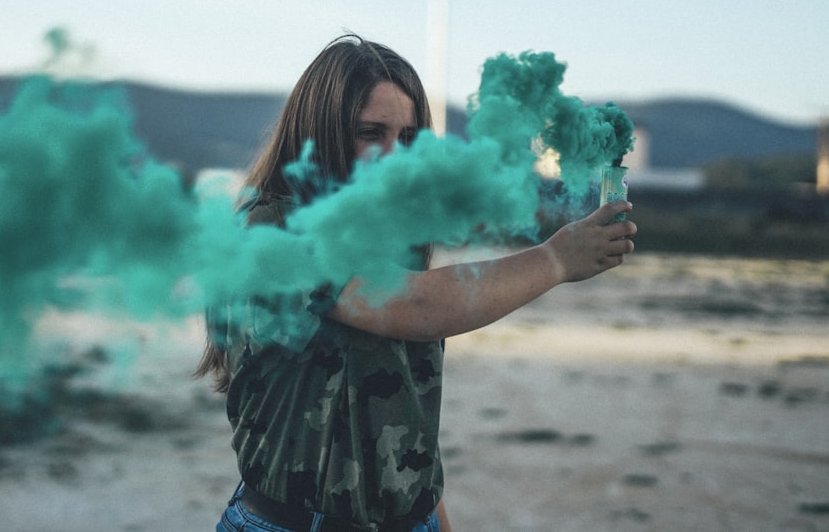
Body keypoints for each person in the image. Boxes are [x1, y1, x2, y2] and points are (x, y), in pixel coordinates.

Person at [197, 34, 636, 532]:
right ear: (317, 133)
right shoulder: (277, 231)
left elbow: (401, 416)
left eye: (408, 138)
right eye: (371, 133)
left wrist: (433, 516)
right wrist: (555, 260)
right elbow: (421, 308)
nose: (393, 156)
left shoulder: (387, 235)